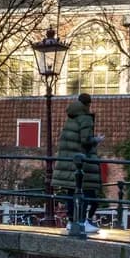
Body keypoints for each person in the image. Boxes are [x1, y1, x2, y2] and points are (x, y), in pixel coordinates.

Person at [51, 93, 103, 235]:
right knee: (85, 190)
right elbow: (85, 140)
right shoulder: (85, 118)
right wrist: (96, 140)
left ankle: (71, 221)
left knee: (70, 191)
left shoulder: (70, 118)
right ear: (88, 104)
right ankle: (82, 222)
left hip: (68, 161)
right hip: (81, 162)